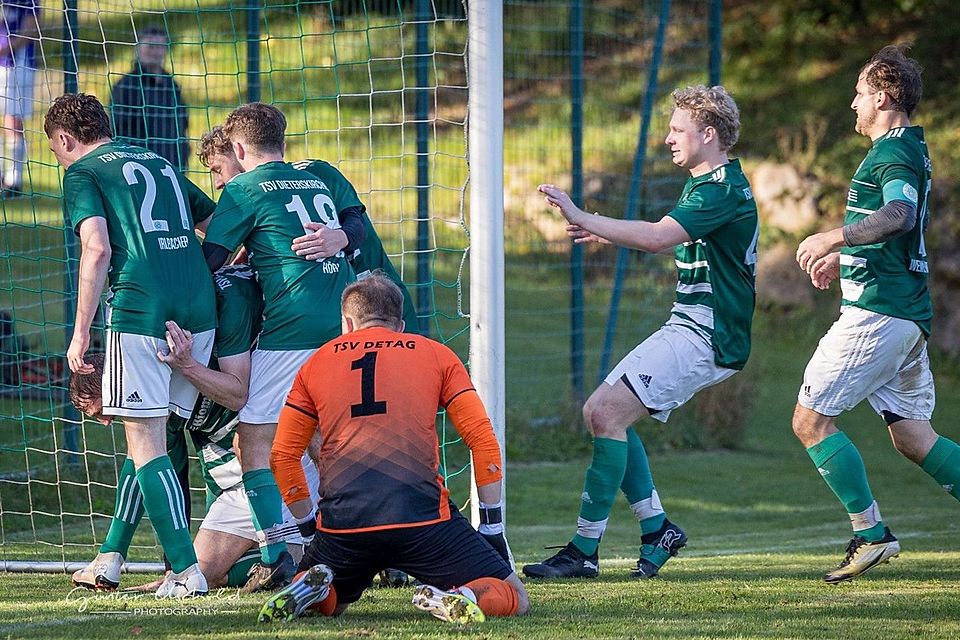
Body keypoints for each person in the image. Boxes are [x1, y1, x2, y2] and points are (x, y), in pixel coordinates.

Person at [522, 85, 758, 580]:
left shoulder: (720, 190)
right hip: (689, 325)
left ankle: (584, 550)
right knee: (601, 413)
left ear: (708, 134)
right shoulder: (706, 183)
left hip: (708, 334)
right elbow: (660, 232)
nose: (668, 138)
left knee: (607, 413)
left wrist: (583, 215)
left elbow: (655, 238)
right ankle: (656, 530)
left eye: (678, 129)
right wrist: (601, 230)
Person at [258, 274, 529, 625]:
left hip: (344, 524)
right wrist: (491, 528)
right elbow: (482, 439)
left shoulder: (315, 363)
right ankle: (463, 595)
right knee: (515, 596)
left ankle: (312, 586)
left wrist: (312, 535)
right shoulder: (436, 354)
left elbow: (282, 456)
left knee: (335, 603)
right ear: (400, 325)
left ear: (347, 323)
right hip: (422, 519)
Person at [793, 45, 960, 584]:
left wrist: (831, 235)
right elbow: (897, 229)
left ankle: (871, 534)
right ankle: (871, 535)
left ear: (884, 97)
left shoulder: (892, 153)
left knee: (810, 421)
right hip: (903, 314)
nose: (853, 104)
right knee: (914, 437)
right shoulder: (909, 146)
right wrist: (846, 257)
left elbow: (898, 215)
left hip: (879, 316)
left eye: (861, 93)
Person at [46, 93, 218, 597]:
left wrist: (81, 333)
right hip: (199, 308)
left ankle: (187, 574)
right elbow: (216, 222)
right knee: (152, 440)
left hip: (140, 307)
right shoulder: (158, 161)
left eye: (57, 152)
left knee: (146, 441)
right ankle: (111, 557)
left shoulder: (83, 172)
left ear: (64, 139)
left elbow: (96, 248)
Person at [69, 267, 322, 591]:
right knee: (206, 570)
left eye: (102, 410)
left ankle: (303, 554)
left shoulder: (205, 342)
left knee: (260, 453)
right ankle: (283, 559)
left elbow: (236, 393)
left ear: (116, 380)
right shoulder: (157, 412)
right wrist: (173, 562)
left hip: (278, 463)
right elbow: (168, 479)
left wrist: (188, 366)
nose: (106, 421)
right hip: (238, 486)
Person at [201, 103, 361, 592]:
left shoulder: (243, 188)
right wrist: (340, 238)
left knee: (253, 445)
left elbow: (210, 260)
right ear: (283, 141)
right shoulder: (316, 177)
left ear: (240, 149)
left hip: (291, 331)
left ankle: (282, 552)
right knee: (328, 442)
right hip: (343, 324)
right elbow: (356, 226)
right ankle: (351, 543)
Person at [196, 126, 419, 331]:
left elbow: (357, 226)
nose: (217, 182)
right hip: (337, 311)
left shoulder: (314, 172)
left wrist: (341, 237)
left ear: (239, 151)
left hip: (380, 298)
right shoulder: (258, 195)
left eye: (218, 169)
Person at [110, 25, 190, 172]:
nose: (155, 52)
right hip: (141, 168)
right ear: (138, 48)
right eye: (151, 46)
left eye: (160, 46)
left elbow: (183, 123)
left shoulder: (172, 85)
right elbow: (118, 130)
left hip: (173, 166)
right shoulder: (125, 86)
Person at [0, 0, 40, 195]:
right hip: (3, 65)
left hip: (18, 65)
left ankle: (14, 181)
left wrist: (5, 49)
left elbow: (31, 29)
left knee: (12, 121)